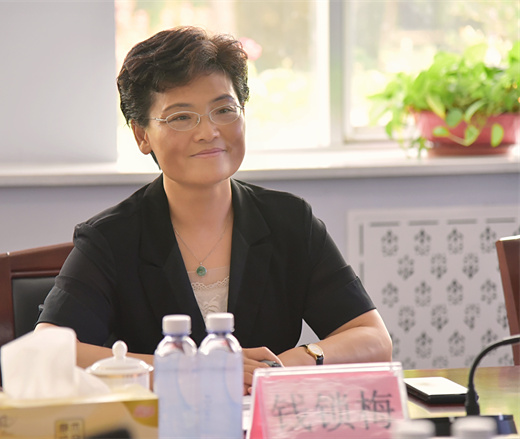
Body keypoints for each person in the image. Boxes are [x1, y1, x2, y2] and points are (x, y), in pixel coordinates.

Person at [36, 26, 392, 393]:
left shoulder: (289, 222)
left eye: (223, 110)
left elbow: (373, 339)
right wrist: (188, 370)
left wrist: (281, 366)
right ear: (141, 135)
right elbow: (47, 350)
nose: (208, 132)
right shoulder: (112, 238)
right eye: (181, 117)